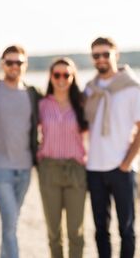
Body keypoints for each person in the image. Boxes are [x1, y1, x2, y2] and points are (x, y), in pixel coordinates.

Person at [85, 37, 140, 258]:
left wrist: (127, 162)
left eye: (106, 54)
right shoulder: (90, 89)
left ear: (116, 55)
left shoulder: (132, 88)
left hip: (122, 168)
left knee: (126, 228)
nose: (101, 59)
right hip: (94, 168)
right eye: (96, 55)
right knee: (101, 230)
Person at [0, 44, 42, 258]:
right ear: (2, 64)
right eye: (10, 62)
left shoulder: (34, 94)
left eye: (19, 62)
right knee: (9, 220)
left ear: (26, 64)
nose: (14, 66)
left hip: (25, 169)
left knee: (11, 223)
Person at [37, 57, 88, 258]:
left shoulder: (82, 104)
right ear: (51, 77)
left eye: (66, 75)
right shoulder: (42, 104)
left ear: (73, 77)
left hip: (76, 170)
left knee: (76, 231)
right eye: (57, 74)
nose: (61, 79)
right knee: (53, 231)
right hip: (49, 170)